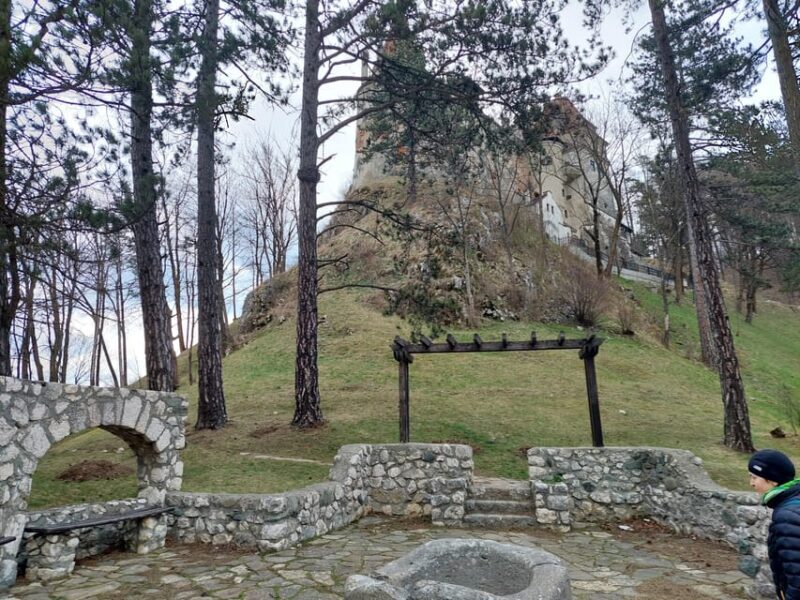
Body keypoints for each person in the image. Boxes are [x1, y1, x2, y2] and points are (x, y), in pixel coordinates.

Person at [750, 449, 800, 599]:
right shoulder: (794, 501)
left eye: (754, 477)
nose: (751, 483)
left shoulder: (787, 516)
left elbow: (797, 575)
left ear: (772, 480)